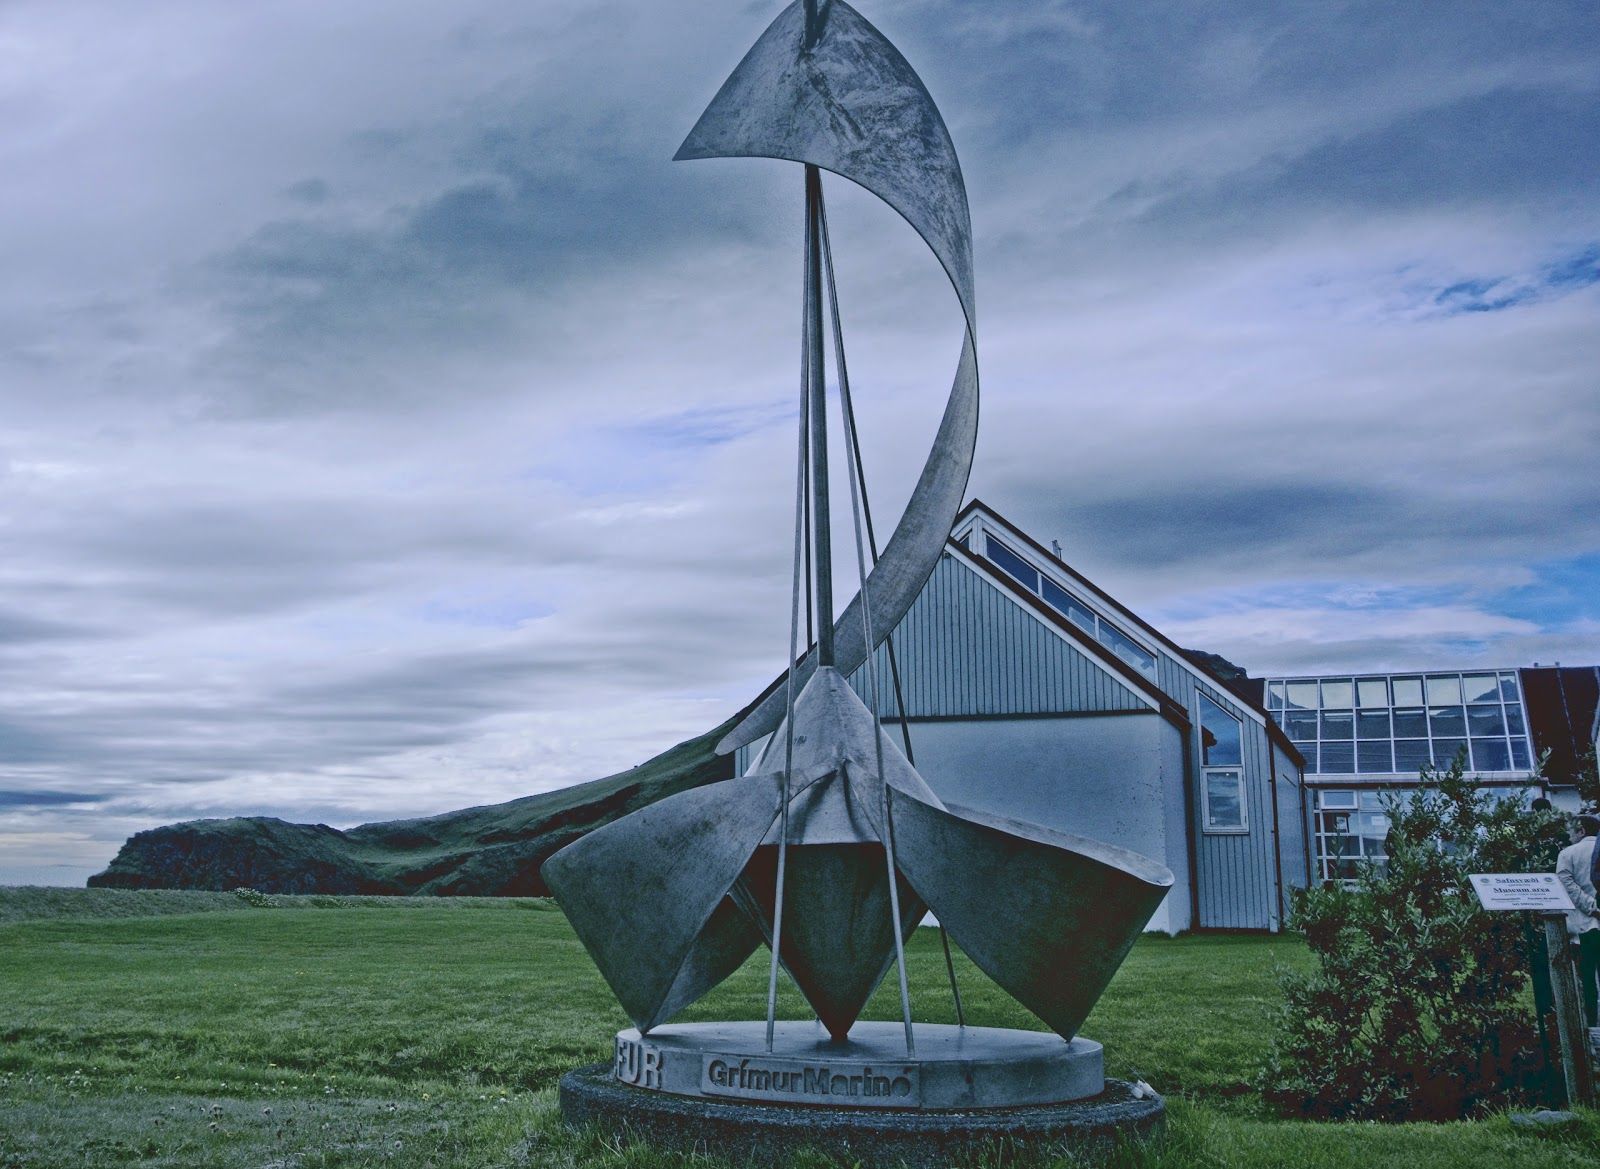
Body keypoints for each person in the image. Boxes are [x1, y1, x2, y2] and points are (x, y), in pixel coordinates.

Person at [1555, 809, 1600, 1026]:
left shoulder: (1567, 854)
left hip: (1583, 926)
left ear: (1581, 831)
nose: (1569, 836)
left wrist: (1591, 907)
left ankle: (1591, 1024)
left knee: (1587, 977)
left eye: (1571, 832)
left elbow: (1567, 885)